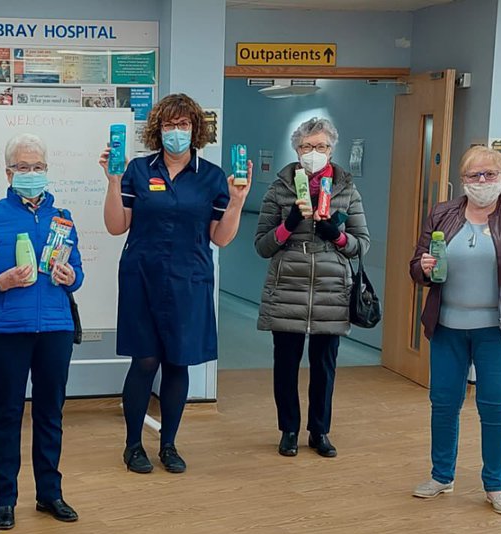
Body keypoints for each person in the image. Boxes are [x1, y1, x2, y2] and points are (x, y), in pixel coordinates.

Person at [102, 93, 250, 474]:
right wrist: (113, 182)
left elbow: (221, 238)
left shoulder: (214, 176)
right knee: (145, 359)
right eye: (169, 125)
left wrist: (236, 202)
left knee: (177, 361)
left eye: (183, 125)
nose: (176, 132)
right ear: (158, 129)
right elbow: (116, 226)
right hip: (142, 277)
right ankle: (133, 445)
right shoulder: (136, 169)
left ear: (195, 129)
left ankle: (168, 444)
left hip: (189, 280)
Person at [409, 144, 501, 516]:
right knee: (443, 403)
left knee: (495, 406)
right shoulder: (443, 214)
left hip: (499, 328)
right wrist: (423, 265)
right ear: (462, 180)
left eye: (490, 174)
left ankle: (495, 485)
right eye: (474, 175)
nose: (482, 181)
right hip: (448, 326)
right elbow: (416, 267)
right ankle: (442, 476)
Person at [0, 134, 84, 530]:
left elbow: (77, 274)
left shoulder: (61, 217)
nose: (32, 174)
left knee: (51, 413)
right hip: (6, 331)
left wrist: (70, 276)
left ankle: (50, 493)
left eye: (39, 167)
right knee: (7, 414)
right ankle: (4, 499)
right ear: (9, 172)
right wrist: (1, 282)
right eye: (24, 167)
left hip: (55, 328)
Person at [254, 116, 371, 459]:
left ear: (332, 149)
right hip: (288, 282)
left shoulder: (346, 188)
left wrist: (336, 235)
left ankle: (320, 431)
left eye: (321, 146)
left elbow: (361, 244)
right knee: (285, 364)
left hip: (331, 287)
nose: (313, 153)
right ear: (296, 149)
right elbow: (262, 245)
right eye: (306, 147)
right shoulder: (280, 187)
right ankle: (288, 429)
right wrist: (288, 225)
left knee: (325, 365)